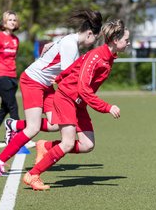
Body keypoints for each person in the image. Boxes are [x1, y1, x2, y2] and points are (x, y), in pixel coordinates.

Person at [0, 9, 103, 176]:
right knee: (33, 127)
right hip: (33, 81)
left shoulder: (70, 40)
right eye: (95, 39)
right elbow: (66, 79)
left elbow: (51, 50)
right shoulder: (71, 45)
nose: (93, 43)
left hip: (45, 84)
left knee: (55, 124)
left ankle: (13, 125)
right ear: (89, 33)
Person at [23, 19, 130, 191]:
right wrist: (107, 107)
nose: (128, 43)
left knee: (87, 145)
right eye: (126, 39)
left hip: (78, 102)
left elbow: (76, 66)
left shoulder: (108, 57)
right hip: (67, 98)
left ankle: (46, 146)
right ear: (115, 40)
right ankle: (33, 175)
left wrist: (60, 77)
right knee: (67, 143)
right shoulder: (97, 56)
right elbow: (84, 88)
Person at [0, 10, 30, 148]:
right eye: (10, 20)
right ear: (4, 22)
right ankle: (19, 139)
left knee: (4, 108)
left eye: (14, 20)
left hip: (11, 76)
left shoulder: (16, 40)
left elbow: (12, 58)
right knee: (13, 106)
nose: (13, 22)